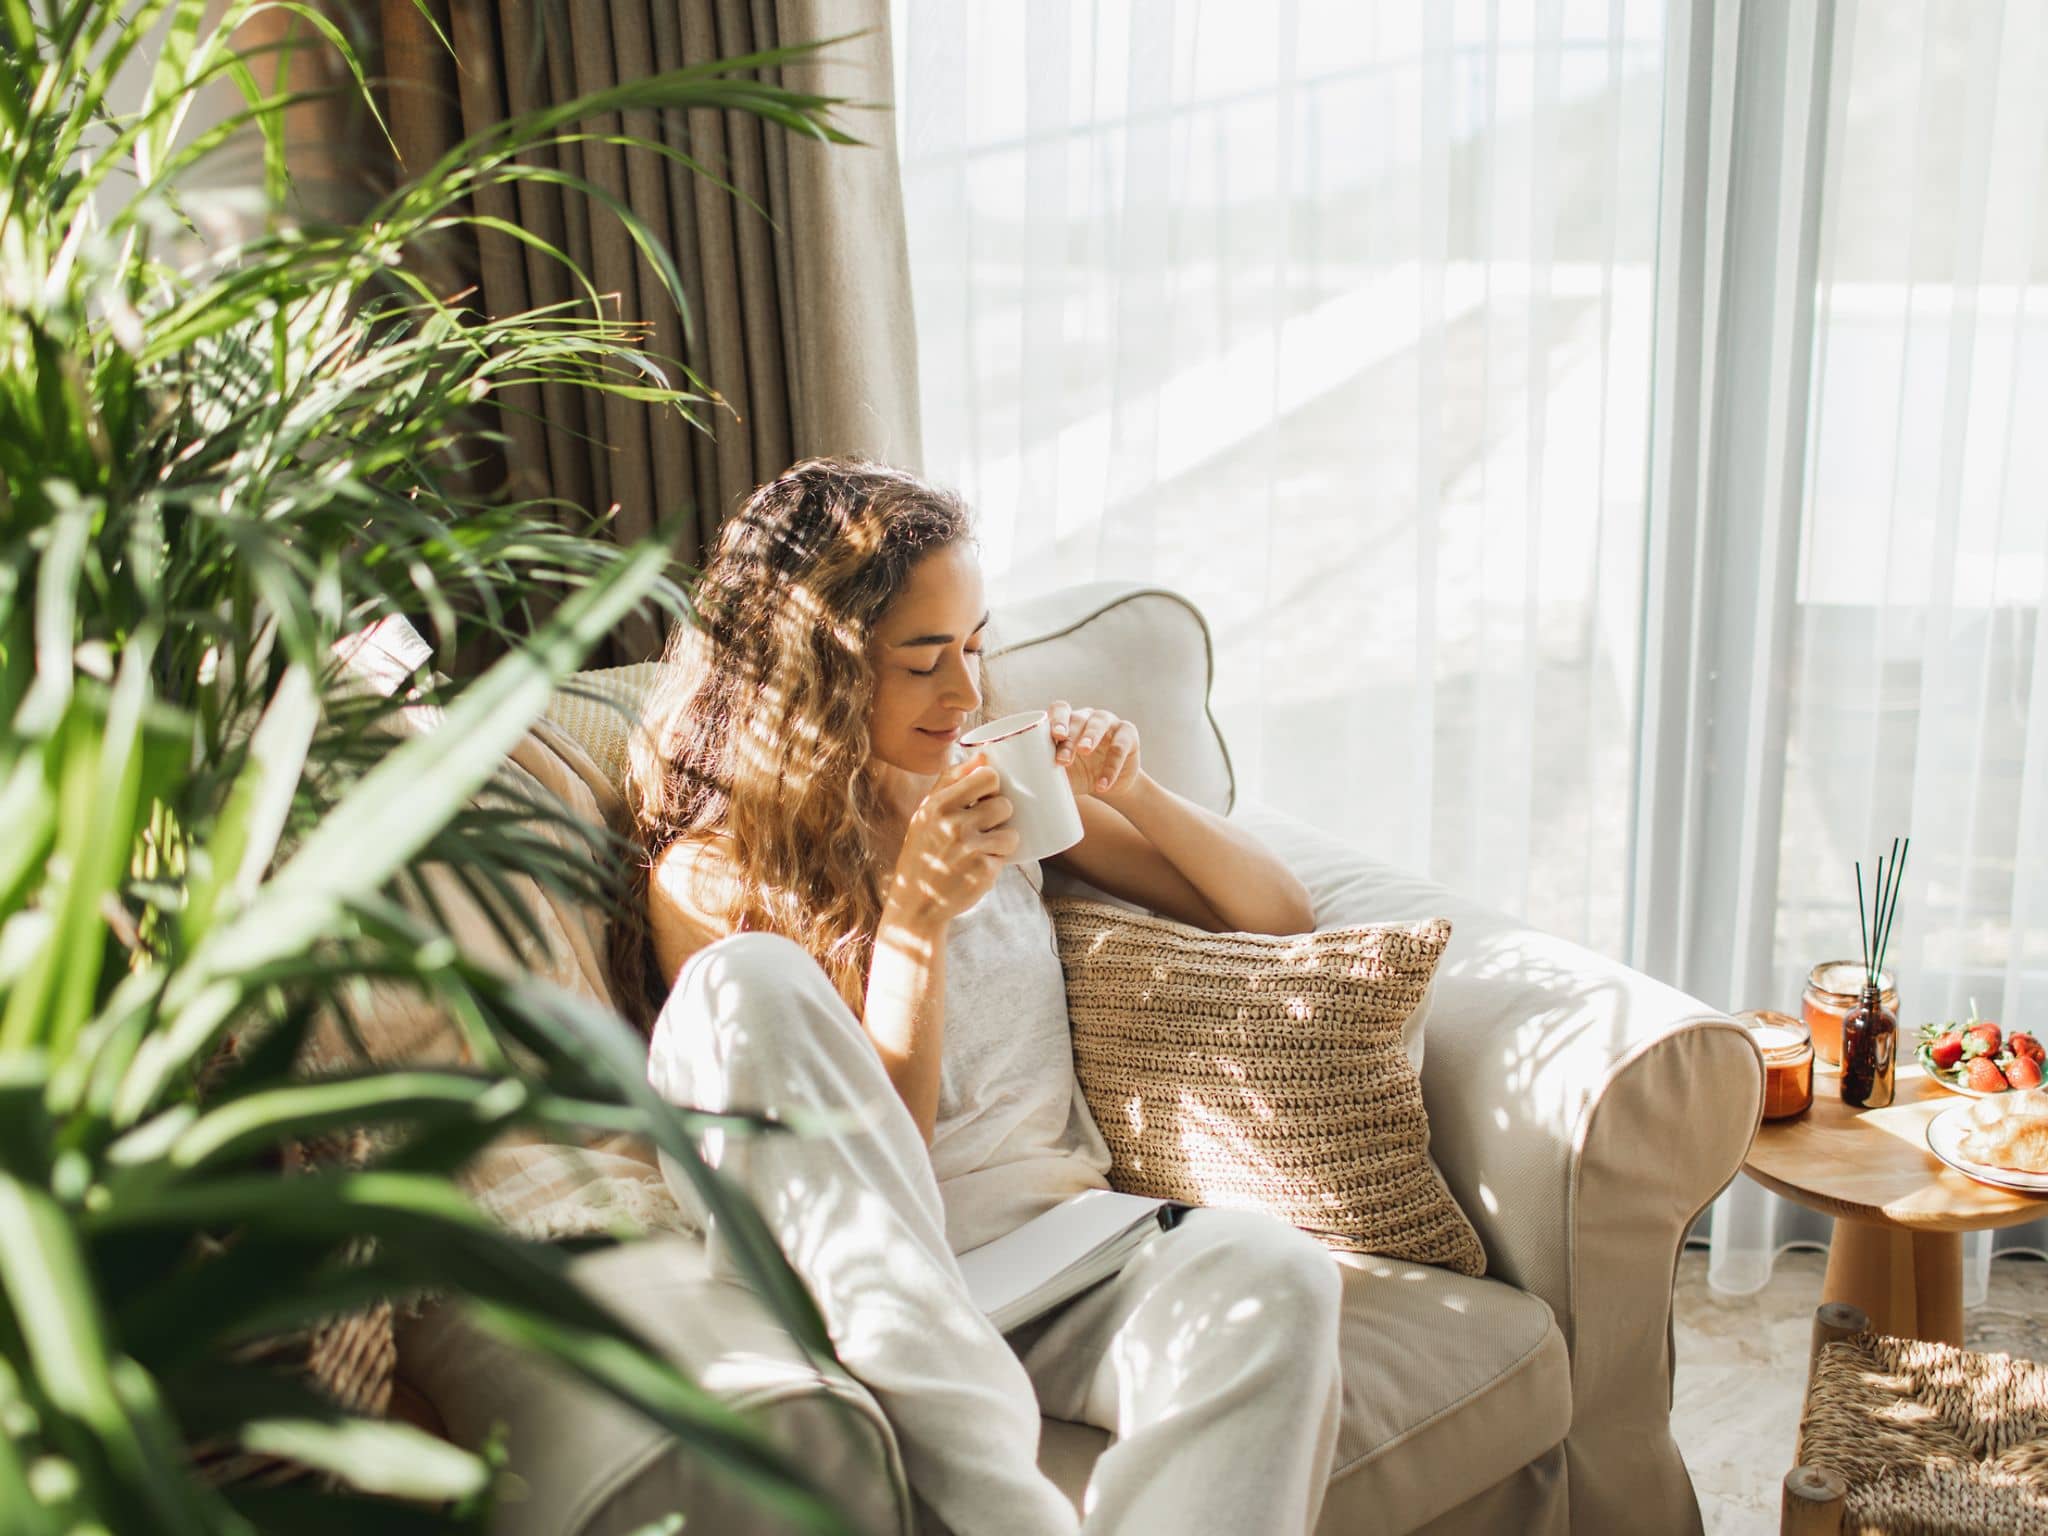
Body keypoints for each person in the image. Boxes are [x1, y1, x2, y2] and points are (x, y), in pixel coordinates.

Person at [620, 457, 1343, 1536]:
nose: (964, 693)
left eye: (972, 645)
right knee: (750, 981)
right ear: (813, 669)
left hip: (1068, 1255)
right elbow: (872, 1171)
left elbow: (1277, 918)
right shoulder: (714, 877)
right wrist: (913, 926)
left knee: (1273, 1272)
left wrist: (1131, 789)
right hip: (887, 1284)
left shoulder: (985, 791)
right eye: (922, 661)